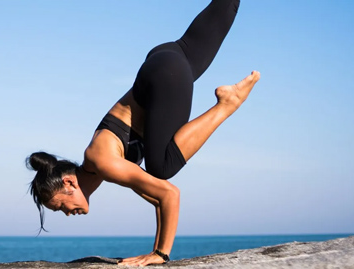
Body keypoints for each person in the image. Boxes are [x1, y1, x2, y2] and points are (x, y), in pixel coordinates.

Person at [26, 0, 259, 266]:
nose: (67, 214)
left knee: (161, 167)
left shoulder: (102, 161)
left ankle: (227, 104)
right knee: (226, 7)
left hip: (164, 76)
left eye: (60, 207)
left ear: (69, 183)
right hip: (166, 60)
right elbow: (156, 198)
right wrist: (153, 251)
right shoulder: (100, 166)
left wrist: (159, 255)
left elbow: (169, 194)